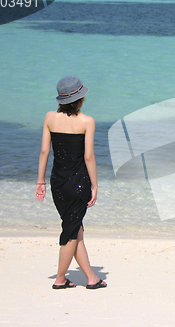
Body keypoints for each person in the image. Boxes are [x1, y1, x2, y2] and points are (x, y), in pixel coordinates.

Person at [35, 76, 107, 290]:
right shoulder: (87, 121)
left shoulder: (49, 118)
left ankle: (91, 278)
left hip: (57, 182)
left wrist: (40, 181)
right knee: (70, 231)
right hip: (79, 183)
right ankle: (60, 279)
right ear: (81, 97)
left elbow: (44, 152)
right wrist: (95, 185)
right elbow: (89, 157)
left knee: (75, 229)